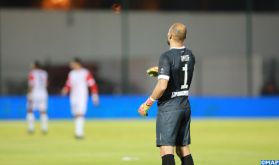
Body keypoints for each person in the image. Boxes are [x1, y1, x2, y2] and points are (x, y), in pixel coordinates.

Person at [138, 23, 195, 165]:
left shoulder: (166, 56)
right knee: (183, 148)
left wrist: (147, 103)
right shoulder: (190, 55)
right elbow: (181, 71)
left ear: (170, 35)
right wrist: (162, 71)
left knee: (166, 149)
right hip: (184, 105)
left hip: (169, 107)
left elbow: (162, 86)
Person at [62, 58, 99, 139]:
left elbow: (92, 84)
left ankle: (79, 133)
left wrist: (95, 95)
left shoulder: (85, 72)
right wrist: (65, 90)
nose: (71, 65)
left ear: (77, 63)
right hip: (73, 96)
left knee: (80, 113)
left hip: (82, 96)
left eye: (72, 63)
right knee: (75, 114)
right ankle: (77, 131)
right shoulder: (71, 73)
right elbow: (69, 84)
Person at [27, 61, 48, 134]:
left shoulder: (32, 73)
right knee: (43, 111)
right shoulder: (44, 73)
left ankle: (31, 128)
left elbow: (31, 84)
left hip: (34, 93)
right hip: (43, 93)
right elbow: (46, 84)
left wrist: (30, 94)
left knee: (30, 110)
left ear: (35, 66)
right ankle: (44, 128)